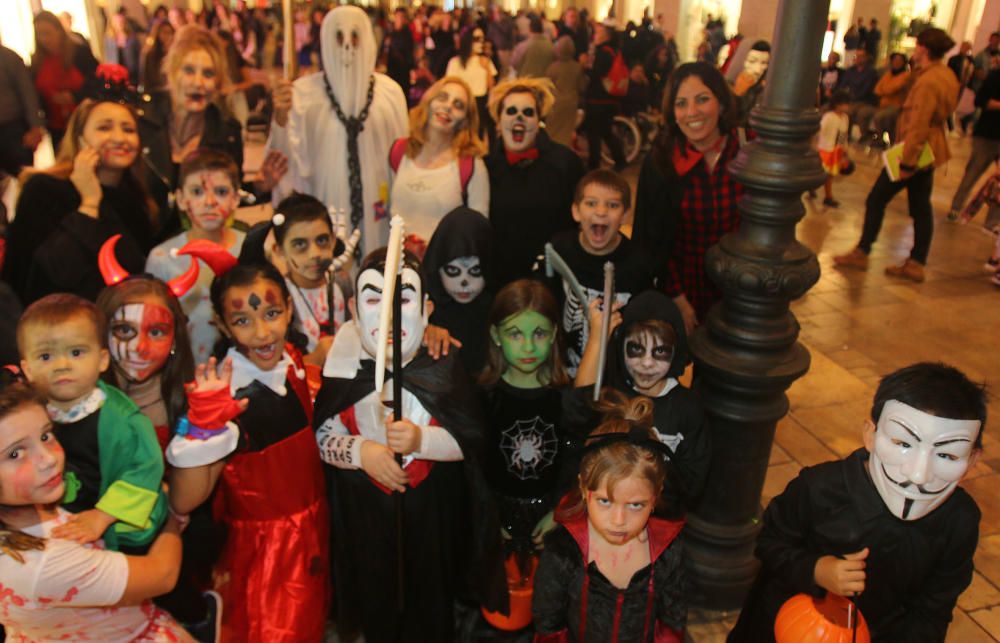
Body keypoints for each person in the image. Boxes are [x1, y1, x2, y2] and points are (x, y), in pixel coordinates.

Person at [314, 247, 507, 643]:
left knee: (431, 595)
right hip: (367, 511)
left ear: (425, 307)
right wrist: (361, 453)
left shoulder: (442, 365)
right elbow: (322, 436)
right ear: (353, 307)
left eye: (401, 299)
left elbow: (469, 442)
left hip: (430, 512)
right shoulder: (344, 367)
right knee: (375, 591)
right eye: (373, 300)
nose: (387, 315)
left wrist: (422, 440)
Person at [728, 362, 986, 642]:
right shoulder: (818, 489)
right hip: (784, 628)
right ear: (871, 435)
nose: (918, 475)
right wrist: (816, 569)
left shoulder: (959, 521)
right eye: (903, 443)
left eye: (946, 456)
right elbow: (769, 542)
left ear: (972, 460)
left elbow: (933, 609)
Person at [178, 228, 330, 641]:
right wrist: (203, 429)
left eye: (271, 314)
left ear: (288, 310)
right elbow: (185, 499)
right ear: (223, 326)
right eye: (243, 320)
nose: (262, 333)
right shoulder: (222, 396)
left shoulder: (294, 360)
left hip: (316, 530)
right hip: (264, 554)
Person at [0, 376, 192, 642]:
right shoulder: (43, 563)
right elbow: (163, 575)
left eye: (46, 435)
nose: (48, 458)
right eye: (14, 453)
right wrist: (170, 518)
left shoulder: (33, 502)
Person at [532, 392, 688, 642]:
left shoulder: (667, 552)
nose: (618, 520)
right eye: (605, 501)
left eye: (636, 505)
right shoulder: (564, 551)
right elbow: (548, 622)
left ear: (656, 495)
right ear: (584, 489)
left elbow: (672, 620)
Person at [17, 294, 168, 551]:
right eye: (45, 357)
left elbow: (145, 469)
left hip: (113, 527)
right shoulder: (27, 416)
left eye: (76, 352)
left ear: (102, 360)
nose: (62, 365)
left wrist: (102, 516)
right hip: (54, 523)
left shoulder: (124, 421)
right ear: (27, 369)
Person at [3, 69, 157, 305]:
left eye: (128, 129)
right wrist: (89, 204)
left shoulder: (137, 200)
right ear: (79, 138)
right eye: (104, 127)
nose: (119, 138)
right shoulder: (44, 190)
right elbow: (41, 275)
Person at [269, 6, 409, 257]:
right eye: (338, 37)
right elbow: (285, 159)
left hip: (378, 204)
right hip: (326, 200)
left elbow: (403, 160)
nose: (347, 47)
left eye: (354, 36)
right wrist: (281, 119)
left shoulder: (390, 94)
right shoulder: (303, 94)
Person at [834, 28, 959, 283]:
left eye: (918, 45)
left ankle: (864, 251)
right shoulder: (943, 74)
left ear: (924, 47)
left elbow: (919, 124)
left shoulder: (929, 81)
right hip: (929, 149)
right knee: (920, 206)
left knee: (877, 198)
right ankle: (916, 261)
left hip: (915, 151)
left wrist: (908, 162)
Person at [632, 62, 744, 335]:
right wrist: (676, 299)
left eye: (702, 99)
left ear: (721, 102)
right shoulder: (661, 160)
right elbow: (649, 240)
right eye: (681, 104)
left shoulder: (747, 150)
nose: (692, 112)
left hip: (739, 293)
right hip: (682, 289)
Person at [576, 290, 710, 516]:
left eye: (660, 352)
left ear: (676, 353)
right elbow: (576, 415)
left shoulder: (688, 408)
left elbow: (694, 482)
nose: (647, 363)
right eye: (636, 349)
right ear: (621, 347)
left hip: (662, 519)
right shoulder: (612, 398)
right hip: (608, 515)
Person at [478, 279, 571, 582]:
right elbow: (473, 467)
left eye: (539, 333)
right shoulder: (483, 397)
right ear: (496, 335)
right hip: (497, 515)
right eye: (515, 334)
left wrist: (560, 512)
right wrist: (488, 517)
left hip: (549, 517)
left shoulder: (566, 399)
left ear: (555, 333)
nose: (529, 346)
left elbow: (576, 462)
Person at [539, 169, 656, 375]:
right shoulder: (559, 250)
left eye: (612, 205)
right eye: (591, 203)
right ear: (576, 211)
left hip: (617, 372)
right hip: (565, 368)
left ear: (626, 215)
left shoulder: (639, 263)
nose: (601, 212)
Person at [138, 24, 245, 236]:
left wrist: (261, 187)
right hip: (145, 245)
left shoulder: (227, 133)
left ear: (218, 83)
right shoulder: (141, 122)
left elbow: (229, 195)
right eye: (188, 70)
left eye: (208, 74)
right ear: (171, 73)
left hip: (201, 248)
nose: (198, 83)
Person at [146, 149, 246, 364]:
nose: (209, 201)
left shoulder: (250, 248)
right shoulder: (162, 258)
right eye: (197, 192)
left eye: (220, 192)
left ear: (236, 198)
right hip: (187, 372)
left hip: (245, 368)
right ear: (181, 199)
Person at [485, 77, 583, 286]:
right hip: (500, 282)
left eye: (528, 112)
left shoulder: (565, 163)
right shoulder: (484, 168)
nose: (519, 117)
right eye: (511, 111)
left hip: (552, 280)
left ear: (538, 122)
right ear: (498, 121)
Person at [388, 77, 489, 245]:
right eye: (442, 97)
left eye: (458, 105)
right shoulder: (399, 151)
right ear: (429, 101)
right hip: (395, 266)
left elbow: (477, 234)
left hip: (442, 269)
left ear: (465, 121)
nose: (448, 106)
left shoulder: (471, 166)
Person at [270, 193, 348, 364]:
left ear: (333, 241)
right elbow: (275, 368)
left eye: (322, 240)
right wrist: (315, 359)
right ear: (279, 251)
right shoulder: (277, 298)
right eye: (299, 245)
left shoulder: (343, 284)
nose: (314, 254)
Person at [422, 206, 495, 377]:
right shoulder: (420, 310)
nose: (464, 282)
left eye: (475, 271)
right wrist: (421, 332)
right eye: (453, 271)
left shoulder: (503, 309)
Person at [30, 11, 98, 150]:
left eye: (47, 33)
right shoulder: (38, 62)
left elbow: (96, 82)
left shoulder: (79, 53)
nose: (44, 39)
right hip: (57, 126)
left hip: (84, 121)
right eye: (39, 34)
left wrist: (73, 96)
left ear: (59, 31)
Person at [947, 51, 1000, 222]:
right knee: (972, 172)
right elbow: (980, 101)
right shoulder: (994, 77)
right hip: (987, 134)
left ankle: (992, 223)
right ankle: (956, 207)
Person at [583, 19, 627, 171]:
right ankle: (620, 159)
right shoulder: (614, 51)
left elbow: (597, 73)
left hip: (598, 100)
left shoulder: (603, 52)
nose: (595, 35)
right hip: (609, 99)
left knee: (594, 133)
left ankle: (593, 164)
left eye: (598, 33)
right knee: (605, 132)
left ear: (606, 35)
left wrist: (584, 68)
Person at [0, 41, 45, 180]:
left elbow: (27, 93)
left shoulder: (8, 57)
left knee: (25, 176)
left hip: (13, 127)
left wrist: (35, 126)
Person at [446, 26, 498, 143]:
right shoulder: (455, 62)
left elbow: (492, 87)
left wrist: (487, 69)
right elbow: (450, 84)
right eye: (476, 39)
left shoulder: (485, 61)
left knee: (477, 137)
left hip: (480, 103)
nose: (481, 43)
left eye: (482, 39)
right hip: (462, 102)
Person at [545, 36, 586, 148]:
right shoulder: (577, 67)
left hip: (555, 103)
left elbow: (548, 86)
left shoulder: (552, 67)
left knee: (553, 131)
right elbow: (581, 86)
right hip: (571, 103)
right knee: (567, 132)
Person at [816, 90, 851, 208]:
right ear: (837, 104)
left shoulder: (845, 118)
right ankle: (825, 195)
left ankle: (828, 196)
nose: (847, 106)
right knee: (823, 174)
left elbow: (844, 135)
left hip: (836, 151)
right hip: (825, 150)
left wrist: (845, 149)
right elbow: (819, 130)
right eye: (845, 103)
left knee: (829, 175)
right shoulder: (829, 117)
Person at [838, 49, 879, 140]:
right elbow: (843, 86)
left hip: (864, 101)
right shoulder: (850, 71)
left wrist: (851, 98)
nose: (858, 59)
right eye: (856, 56)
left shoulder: (871, 72)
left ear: (866, 58)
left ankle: (858, 136)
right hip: (849, 99)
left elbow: (866, 90)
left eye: (861, 56)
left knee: (850, 111)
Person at [871, 52, 910, 146]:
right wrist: (887, 90)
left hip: (896, 106)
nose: (896, 63)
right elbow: (877, 89)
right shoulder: (888, 75)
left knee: (880, 117)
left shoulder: (906, 76)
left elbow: (892, 89)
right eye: (894, 60)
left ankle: (881, 141)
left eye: (899, 61)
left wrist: (886, 90)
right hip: (882, 105)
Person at [104, 11, 142, 85]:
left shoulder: (132, 38)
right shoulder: (109, 39)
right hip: (117, 74)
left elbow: (139, 56)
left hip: (133, 74)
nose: (120, 23)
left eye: (121, 21)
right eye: (117, 22)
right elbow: (108, 57)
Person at [385, 8, 414, 100]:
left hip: (403, 72)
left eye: (401, 17)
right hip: (391, 71)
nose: (399, 19)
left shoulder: (407, 34)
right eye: (397, 17)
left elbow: (408, 53)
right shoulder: (390, 33)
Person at [139, 19, 175, 92]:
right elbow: (146, 78)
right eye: (165, 33)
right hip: (155, 92)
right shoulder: (150, 54)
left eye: (171, 33)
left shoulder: (174, 53)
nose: (169, 36)